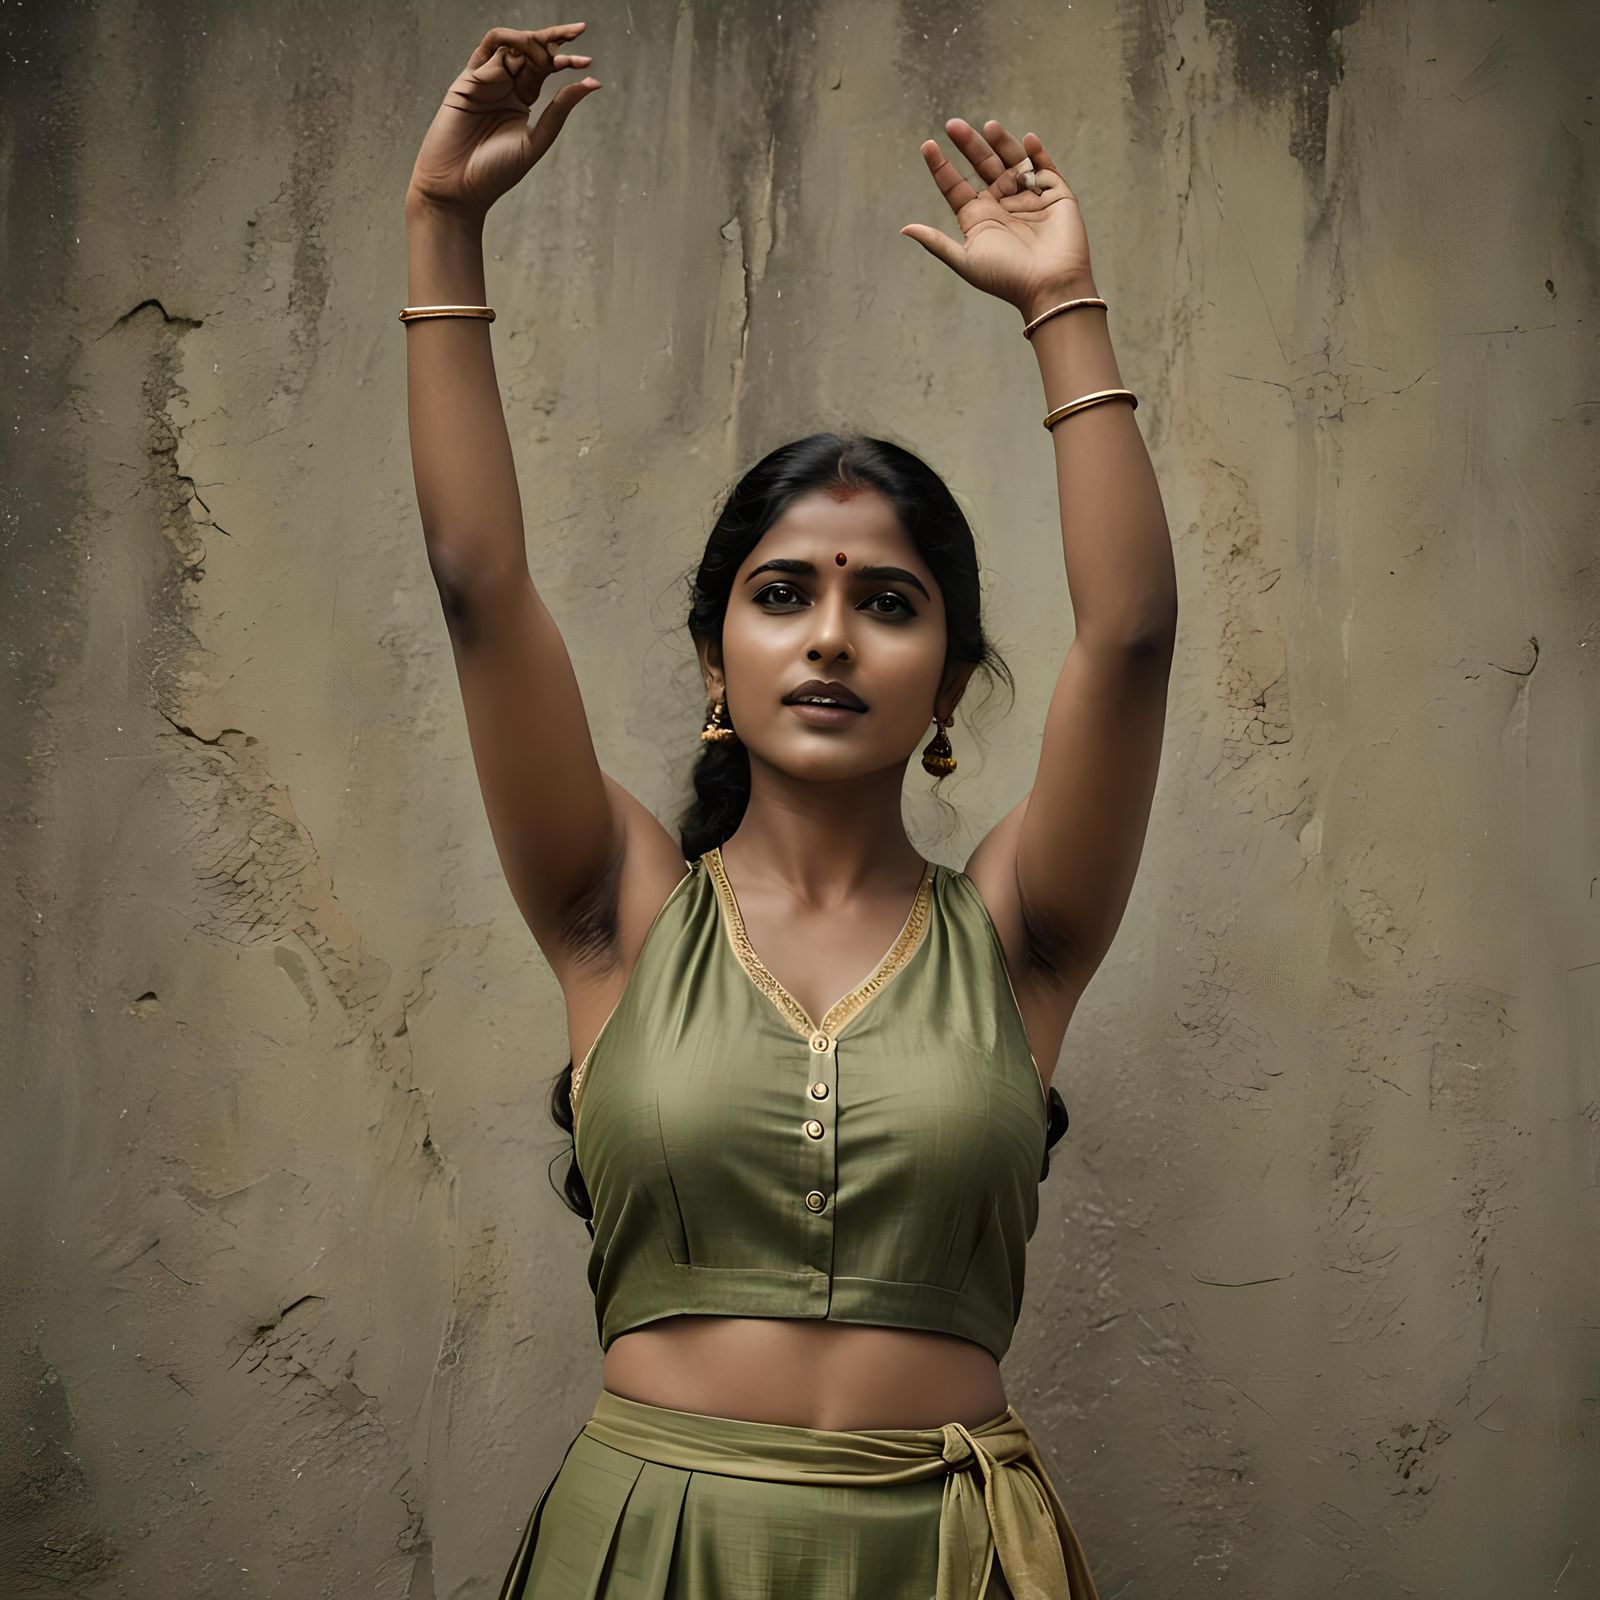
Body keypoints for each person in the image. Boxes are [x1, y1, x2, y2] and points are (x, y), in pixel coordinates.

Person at [403, 21, 1175, 1599]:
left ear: (949, 682)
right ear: (717, 655)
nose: (831, 634)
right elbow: (480, 591)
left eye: (887, 601)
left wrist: (1061, 309)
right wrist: (444, 228)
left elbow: (1133, 639)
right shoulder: (613, 912)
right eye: (782, 595)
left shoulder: (1021, 938)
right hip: (656, 1547)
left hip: (956, 1556)